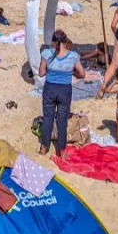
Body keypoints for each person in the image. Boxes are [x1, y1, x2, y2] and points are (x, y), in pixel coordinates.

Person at [38, 30, 85, 158]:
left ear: (53, 41)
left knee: (48, 118)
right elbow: (82, 74)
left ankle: (44, 147)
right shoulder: (73, 56)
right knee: (62, 120)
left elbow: (41, 73)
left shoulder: (47, 53)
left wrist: (51, 70)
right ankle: (61, 150)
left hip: (50, 88)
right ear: (66, 41)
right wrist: (71, 73)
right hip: (64, 90)